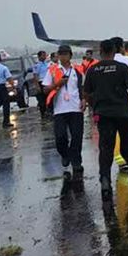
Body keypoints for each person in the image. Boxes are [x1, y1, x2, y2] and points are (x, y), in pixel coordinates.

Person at [83, 39, 128, 194]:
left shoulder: (92, 70)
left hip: (103, 114)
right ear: (115, 50)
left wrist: (94, 105)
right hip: (124, 112)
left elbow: (86, 93)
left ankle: (105, 179)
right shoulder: (122, 68)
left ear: (101, 51)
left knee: (106, 147)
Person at [43, 45, 86, 180]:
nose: (63, 57)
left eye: (65, 54)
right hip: (60, 110)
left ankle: (76, 161)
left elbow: (83, 87)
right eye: (60, 54)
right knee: (60, 137)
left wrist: (84, 99)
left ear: (70, 55)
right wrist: (58, 84)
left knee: (77, 136)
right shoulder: (52, 70)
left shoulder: (78, 70)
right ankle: (65, 154)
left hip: (75, 108)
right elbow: (45, 90)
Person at [32, 50, 51, 119]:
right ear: (39, 56)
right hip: (41, 82)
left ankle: (49, 112)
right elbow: (35, 76)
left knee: (49, 98)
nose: (45, 57)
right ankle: (43, 114)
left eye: (45, 55)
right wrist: (37, 86)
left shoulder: (47, 64)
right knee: (42, 100)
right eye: (43, 55)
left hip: (48, 83)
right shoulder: (37, 65)